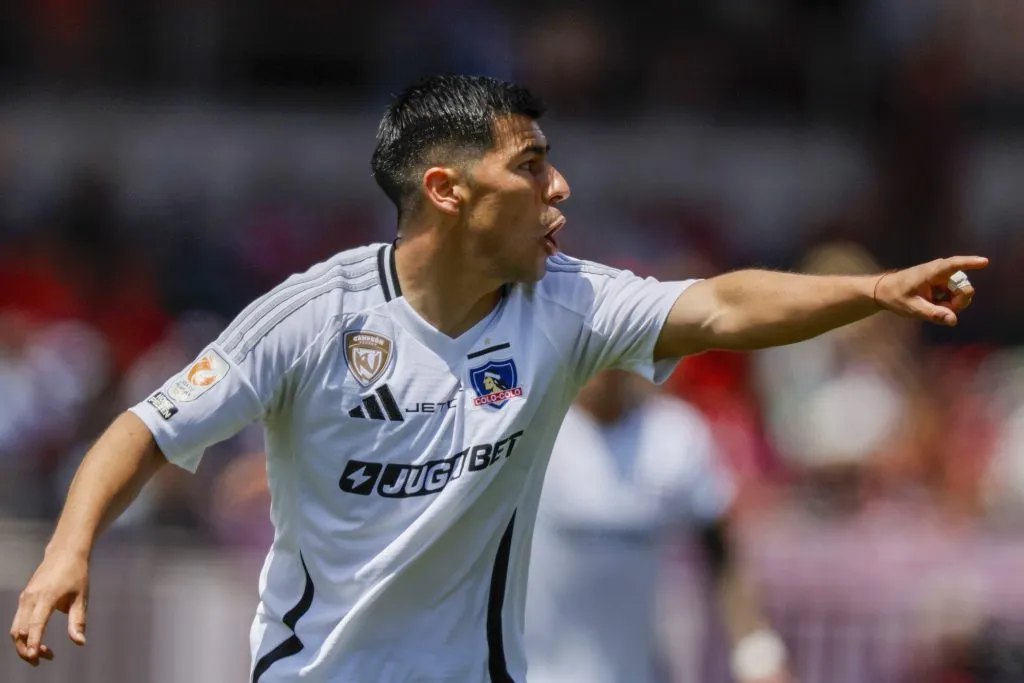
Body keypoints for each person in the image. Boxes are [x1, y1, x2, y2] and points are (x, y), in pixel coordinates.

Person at [10, 74, 985, 682]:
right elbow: (144, 424)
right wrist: (69, 545)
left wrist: (868, 289)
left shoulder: (561, 304)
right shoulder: (315, 315)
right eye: (530, 165)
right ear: (448, 189)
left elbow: (723, 305)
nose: (559, 188)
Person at [525, 369, 788, 683]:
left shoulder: (676, 435)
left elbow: (721, 556)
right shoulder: (527, 430)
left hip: (642, 674)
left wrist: (757, 651)